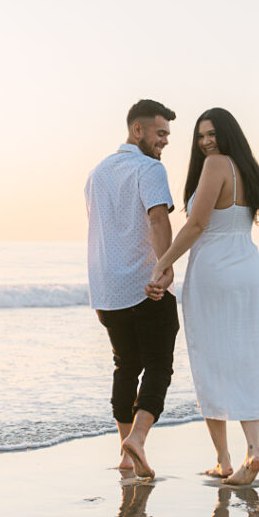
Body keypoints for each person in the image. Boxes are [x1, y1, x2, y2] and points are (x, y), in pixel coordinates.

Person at [148, 107, 259, 486]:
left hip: (214, 272)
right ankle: (253, 449)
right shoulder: (247, 169)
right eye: (201, 136)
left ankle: (223, 460)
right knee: (248, 359)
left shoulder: (215, 165)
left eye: (213, 134)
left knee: (210, 361)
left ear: (227, 134)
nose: (206, 142)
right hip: (249, 268)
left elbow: (198, 224)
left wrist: (163, 263)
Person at [85, 99, 178, 479]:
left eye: (168, 135)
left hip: (106, 291)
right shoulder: (149, 168)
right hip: (144, 286)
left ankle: (125, 452)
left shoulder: (97, 173)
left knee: (125, 366)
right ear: (137, 130)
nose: (165, 142)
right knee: (158, 365)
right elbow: (157, 219)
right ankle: (137, 439)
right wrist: (164, 267)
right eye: (160, 133)